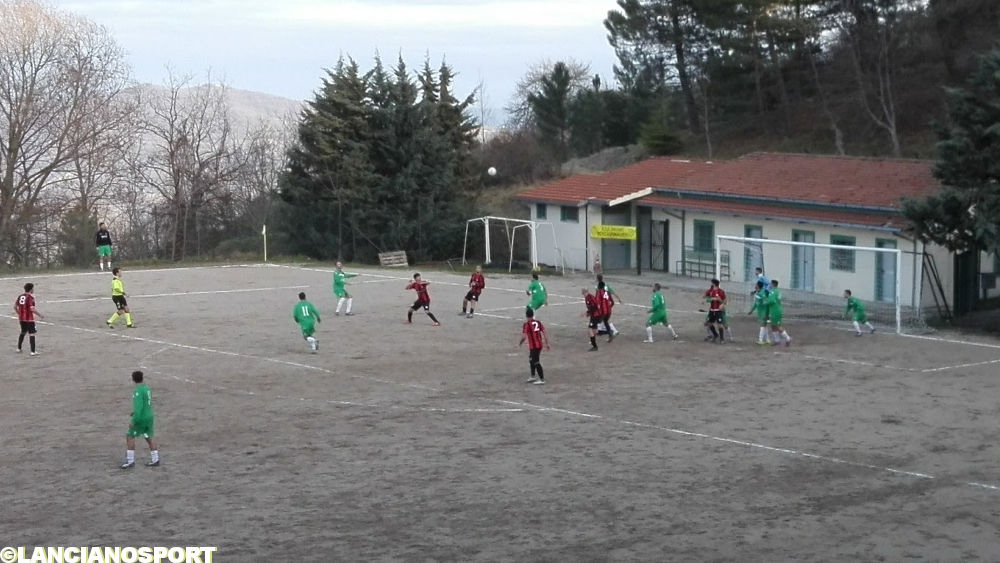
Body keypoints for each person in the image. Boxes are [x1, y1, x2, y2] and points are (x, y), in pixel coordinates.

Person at [121, 370, 159, 469]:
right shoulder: (147, 388)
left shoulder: (137, 391)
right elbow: (146, 403)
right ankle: (155, 459)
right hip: (149, 416)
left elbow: (139, 407)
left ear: (133, 379)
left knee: (130, 436)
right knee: (149, 436)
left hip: (141, 417)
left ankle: (130, 461)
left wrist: (133, 420)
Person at [519, 308, 550, 385]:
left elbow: (524, 337)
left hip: (534, 346)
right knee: (531, 359)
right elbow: (545, 332)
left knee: (536, 362)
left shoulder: (526, 325)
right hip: (539, 345)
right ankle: (533, 376)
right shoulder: (538, 322)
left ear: (526, 316)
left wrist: (520, 343)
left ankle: (542, 379)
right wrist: (547, 343)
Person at [14, 282, 43, 356]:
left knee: (23, 332)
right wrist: (40, 315)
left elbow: (14, 306)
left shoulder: (20, 296)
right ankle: (33, 351)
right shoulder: (30, 298)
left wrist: (19, 314)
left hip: (21, 319)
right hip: (29, 319)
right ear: (31, 289)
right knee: (32, 334)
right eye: (33, 288)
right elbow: (32, 309)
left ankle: (18, 348)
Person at [767, 280, 792, 346]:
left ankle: (788, 338)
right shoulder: (777, 291)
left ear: (773, 284)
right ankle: (777, 340)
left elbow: (771, 300)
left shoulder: (772, 291)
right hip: (777, 309)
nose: (769, 285)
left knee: (777, 326)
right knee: (773, 325)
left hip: (774, 311)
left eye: (770, 284)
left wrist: (766, 301)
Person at [703, 278, 727, 343]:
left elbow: (725, 300)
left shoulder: (721, 291)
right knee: (709, 324)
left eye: (711, 283)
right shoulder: (710, 291)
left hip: (718, 310)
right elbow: (704, 297)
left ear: (713, 284)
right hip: (712, 310)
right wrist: (709, 297)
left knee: (720, 325)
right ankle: (716, 335)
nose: (711, 284)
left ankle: (722, 339)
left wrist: (721, 303)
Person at [748, 280, 771, 345]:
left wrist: (766, 312)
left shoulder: (761, 293)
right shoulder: (759, 292)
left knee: (762, 325)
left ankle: (760, 340)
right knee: (765, 325)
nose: (755, 285)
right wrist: (751, 310)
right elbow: (756, 303)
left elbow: (765, 302)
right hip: (762, 312)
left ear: (758, 286)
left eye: (755, 284)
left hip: (763, 312)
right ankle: (767, 339)